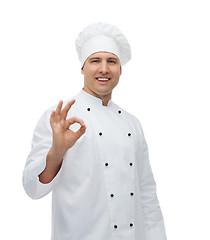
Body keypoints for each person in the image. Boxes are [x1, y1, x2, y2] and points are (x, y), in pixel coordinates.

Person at [22, 22, 167, 240]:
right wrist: (56, 153)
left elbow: (147, 193)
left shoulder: (132, 123)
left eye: (112, 61)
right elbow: (33, 189)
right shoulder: (59, 117)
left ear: (120, 69)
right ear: (82, 67)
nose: (104, 69)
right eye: (95, 61)